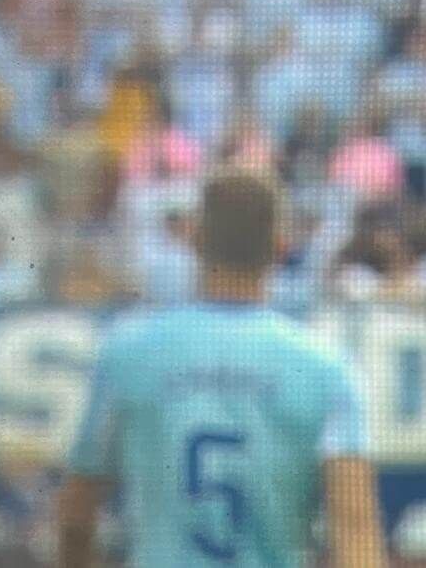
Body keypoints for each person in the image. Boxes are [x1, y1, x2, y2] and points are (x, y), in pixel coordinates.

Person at [56, 168, 387, 567]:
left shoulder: (128, 353)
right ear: (279, 248)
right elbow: (354, 528)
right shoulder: (326, 368)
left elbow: (76, 515)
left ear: (195, 241)